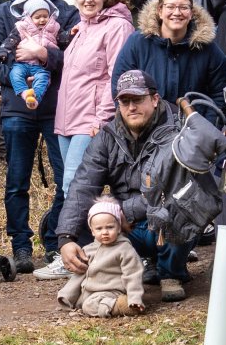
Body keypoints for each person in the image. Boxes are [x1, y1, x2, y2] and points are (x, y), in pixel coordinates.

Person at [0, 0, 80, 272]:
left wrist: (43, 54)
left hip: (57, 109)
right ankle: (21, 245)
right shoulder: (3, 14)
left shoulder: (66, 13)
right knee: (16, 180)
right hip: (17, 109)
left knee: (66, 178)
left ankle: (54, 242)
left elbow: (77, 61)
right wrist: (18, 77)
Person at [55, 70, 193, 302]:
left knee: (178, 210)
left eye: (138, 100)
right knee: (94, 222)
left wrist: (123, 211)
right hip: (126, 225)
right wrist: (66, 238)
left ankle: (171, 273)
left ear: (154, 99)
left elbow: (170, 189)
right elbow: (83, 186)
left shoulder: (178, 131)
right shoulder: (107, 136)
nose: (131, 107)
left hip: (162, 216)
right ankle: (117, 274)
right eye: (125, 101)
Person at [36, 0, 134, 281]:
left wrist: (102, 118)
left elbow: (115, 75)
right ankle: (95, 253)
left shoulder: (117, 26)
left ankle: (72, 257)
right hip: (67, 120)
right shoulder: (81, 29)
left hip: (91, 120)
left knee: (73, 188)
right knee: (72, 186)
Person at [112, 0, 226, 108]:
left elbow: (221, 92)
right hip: (146, 123)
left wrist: (206, 123)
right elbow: (120, 85)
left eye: (183, 8)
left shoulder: (207, 48)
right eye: (170, 7)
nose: (177, 13)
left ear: (191, 13)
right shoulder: (137, 42)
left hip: (194, 123)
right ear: (160, 11)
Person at [56, 197, 147, 317]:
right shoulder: (88, 249)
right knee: (82, 302)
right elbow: (80, 274)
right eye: (99, 229)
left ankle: (121, 305)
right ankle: (111, 305)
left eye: (110, 227)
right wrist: (67, 294)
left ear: (119, 227)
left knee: (89, 306)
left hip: (112, 291)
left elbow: (133, 275)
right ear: (92, 231)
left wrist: (134, 298)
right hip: (90, 291)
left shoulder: (124, 249)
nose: (104, 232)